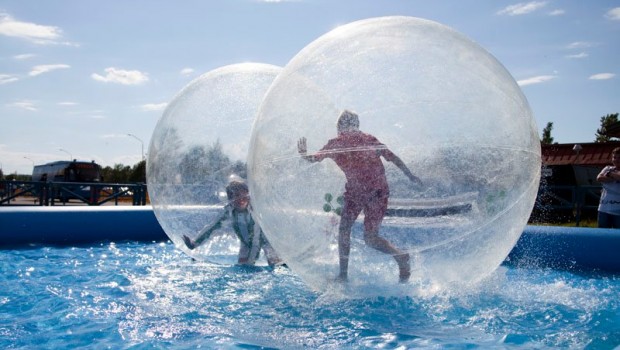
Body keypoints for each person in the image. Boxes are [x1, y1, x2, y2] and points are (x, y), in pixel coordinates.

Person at [297, 110, 423, 282]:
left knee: (344, 231)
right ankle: (400, 256)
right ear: (356, 125)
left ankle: (343, 275)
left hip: (359, 193)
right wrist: (409, 175)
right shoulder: (369, 138)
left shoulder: (336, 143)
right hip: (377, 191)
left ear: (340, 126)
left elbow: (314, 159)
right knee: (370, 237)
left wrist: (304, 154)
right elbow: (393, 158)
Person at [182, 180, 283, 267]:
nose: (240, 199)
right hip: (246, 243)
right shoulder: (230, 211)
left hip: (267, 241)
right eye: (235, 196)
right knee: (242, 268)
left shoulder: (253, 210)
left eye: (244, 195)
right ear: (230, 199)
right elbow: (212, 228)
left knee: (275, 265)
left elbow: (256, 240)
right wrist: (195, 243)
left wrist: (251, 262)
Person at [596, 147, 620, 228]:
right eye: (614, 157)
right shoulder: (607, 168)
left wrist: (609, 174)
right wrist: (614, 177)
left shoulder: (608, 171)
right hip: (603, 209)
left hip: (618, 212)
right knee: (602, 235)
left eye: (619, 158)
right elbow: (599, 178)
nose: (616, 160)